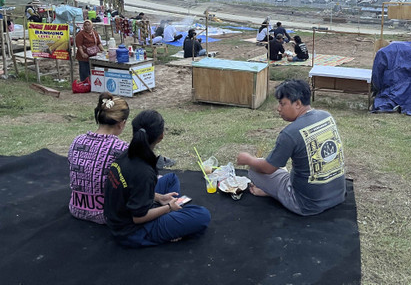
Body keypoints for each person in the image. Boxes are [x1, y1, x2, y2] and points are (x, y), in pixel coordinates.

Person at [237, 79, 346, 216]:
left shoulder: (290, 133)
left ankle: (274, 193)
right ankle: (275, 190)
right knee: (281, 168)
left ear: (298, 104)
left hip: (305, 204)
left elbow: (268, 169)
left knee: (255, 171)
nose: (278, 108)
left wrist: (248, 159)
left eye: (283, 104)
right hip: (337, 195)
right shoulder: (326, 116)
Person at [103, 110, 211, 248]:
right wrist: (167, 207)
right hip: (131, 232)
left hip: (119, 217)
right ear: (161, 136)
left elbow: (129, 189)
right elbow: (138, 218)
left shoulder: (128, 153)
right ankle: (169, 226)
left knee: (171, 179)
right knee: (202, 215)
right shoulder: (144, 171)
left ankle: (168, 217)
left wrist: (159, 198)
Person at [68, 93, 130, 224]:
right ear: (121, 123)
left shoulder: (77, 141)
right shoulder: (121, 148)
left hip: (76, 208)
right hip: (106, 213)